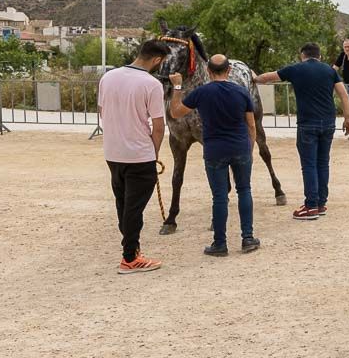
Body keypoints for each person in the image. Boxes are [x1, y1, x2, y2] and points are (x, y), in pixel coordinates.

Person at [168, 54, 260, 257]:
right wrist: (250, 148)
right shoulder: (241, 91)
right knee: (244, 190)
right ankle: (247, 237)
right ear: (229, 71)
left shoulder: (201, 92)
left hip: (214, 149)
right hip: (239, 147)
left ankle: (220, 242)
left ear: (208, 71)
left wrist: (177, 87)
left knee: (219, 197)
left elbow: (175, 113)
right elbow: (251, 124)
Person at [255, 42, 349, 220]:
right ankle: (321, 203)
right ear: (319, 56)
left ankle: (310, 206)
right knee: (323, 163)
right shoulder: (330, 71)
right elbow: (344, 95)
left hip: (307, 123)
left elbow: (267, 78)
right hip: (329, 123)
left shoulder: (295, 69)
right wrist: (347, 119)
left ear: (303, 55)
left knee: (308, 164)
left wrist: (254, 77)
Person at [97, 39, 169, 274]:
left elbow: (102, 111)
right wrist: (154, 153)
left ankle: (132, 249)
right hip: (139, 153)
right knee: (134, 208)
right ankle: (129, 258)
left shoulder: (108, 77)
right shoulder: (151, 84)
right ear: (157, 59)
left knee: (123, 203)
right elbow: (159, 125)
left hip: (112, 151)